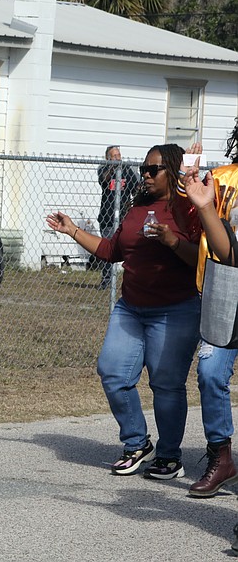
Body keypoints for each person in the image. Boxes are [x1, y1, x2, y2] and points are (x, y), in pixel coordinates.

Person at [47, 144, 201, 480]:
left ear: (172, 171)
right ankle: (137, 443)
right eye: (144, 169)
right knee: (113, 372)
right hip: (131, 308)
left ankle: (170, 457)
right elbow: (110, 250)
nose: (145, 175)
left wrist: (173, 242)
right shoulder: (137, 207)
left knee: (166, 384)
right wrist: (72, 230)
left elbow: (202, 258)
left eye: (153, 170)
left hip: (175, 310)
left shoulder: (188, 207)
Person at [181, 129, 238, 498]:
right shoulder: (223, 177)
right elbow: (187, 210)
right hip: (224, 291)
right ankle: (222, 457)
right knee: (210, 371)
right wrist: (189, 172)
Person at [96, 145, 140, 289]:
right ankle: (106, 281)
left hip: (124, 218)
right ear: (108, 158)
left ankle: (131, 280)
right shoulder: (103, 168)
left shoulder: (127, 169)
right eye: (114, 156)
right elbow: (104, 179)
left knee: (129, 249)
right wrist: (113, 168)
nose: (117, 158)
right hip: (107, 218)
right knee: (107, 249)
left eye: (119, 155)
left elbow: (135, 190)